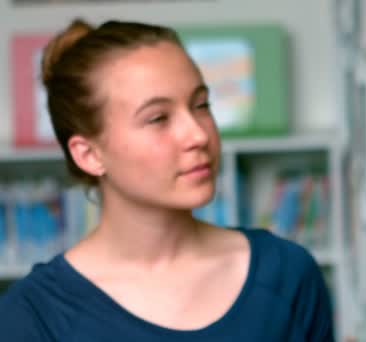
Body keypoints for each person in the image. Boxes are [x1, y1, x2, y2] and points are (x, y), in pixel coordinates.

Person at [0, 19, 334, 342]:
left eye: (201, 105)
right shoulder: (33, 316)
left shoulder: (287, 275)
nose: (198, 134)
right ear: (89, 154)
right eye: (158, 118)